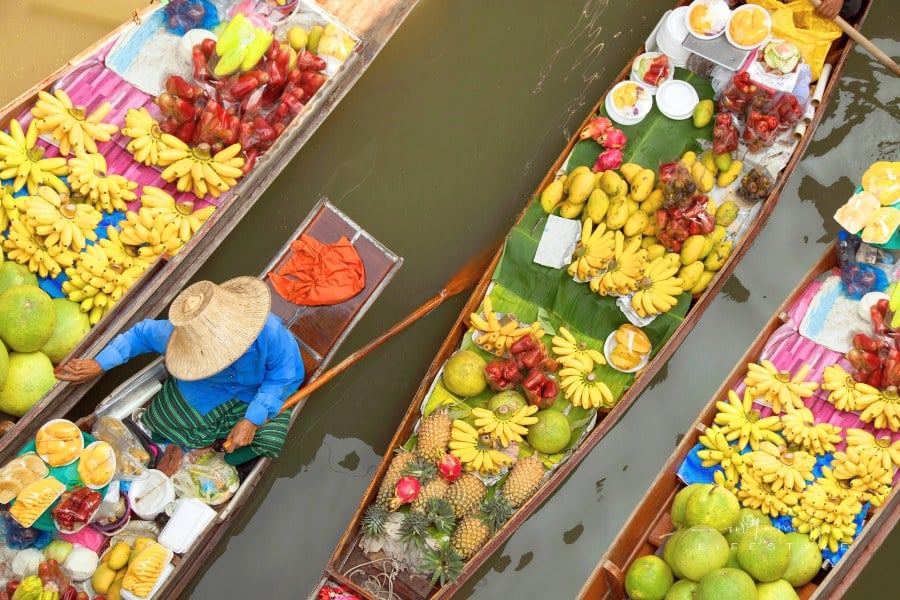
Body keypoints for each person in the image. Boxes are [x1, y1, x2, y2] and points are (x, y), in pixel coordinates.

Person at [55, 276, 305, 466]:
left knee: (270, 438)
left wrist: (252, 419)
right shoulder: (179, 336)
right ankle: (195, 447)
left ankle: (219, 455)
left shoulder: (270, 334)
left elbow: (283, 376)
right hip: (205, 389)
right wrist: (99, 364)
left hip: (255, 393)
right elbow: (139, 335)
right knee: (161, 422)